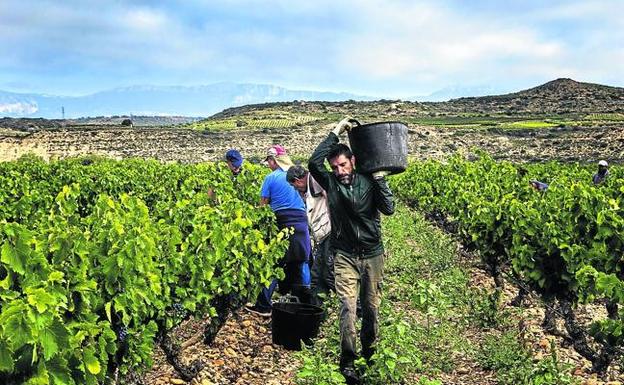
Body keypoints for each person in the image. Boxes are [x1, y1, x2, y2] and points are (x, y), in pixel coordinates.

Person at [308, 117, 395, 384]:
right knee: (347, 307)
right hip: (344, 254)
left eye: (343, 165)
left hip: (372, 254)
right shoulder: (331, 184)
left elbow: (389, 209)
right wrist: (336, 132)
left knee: (370, 309)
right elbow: (314, 162)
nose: (339, 170)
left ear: (353, 162)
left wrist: (380, 180)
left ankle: (369, 355)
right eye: (335, 167)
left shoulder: (368, 181)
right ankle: (348, 362)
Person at [245, 145, 312, 316]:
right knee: (301, 260)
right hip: (302, 221)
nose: (268, 164)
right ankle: (307, 305)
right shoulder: (300, 176)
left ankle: (264, 305)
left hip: (281, 222)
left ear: (273, 160)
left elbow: (263, 205)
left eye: (268, 160)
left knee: (275, 263)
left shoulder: (271, 178)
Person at [286, 165, 334, 303]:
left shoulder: (314, 181)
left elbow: (331, 198)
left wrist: (336, 226)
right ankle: (316, 311)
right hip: (323, 237)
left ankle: (358, 308)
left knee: (331, 274)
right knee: (317, 276)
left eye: (294, 186)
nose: (295, 189)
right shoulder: (308, 188)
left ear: (298, 180)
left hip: (330, 234)